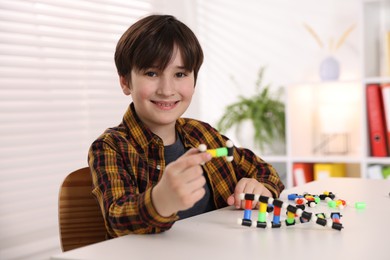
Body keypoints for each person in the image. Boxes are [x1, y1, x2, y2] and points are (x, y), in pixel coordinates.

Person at [88, 14, 285, 238]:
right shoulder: (111, 147)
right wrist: (160, 200)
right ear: (125, 81)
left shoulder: (202, 134)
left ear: (194, 79)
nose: (167, 89)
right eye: (151, 73)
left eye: (180, 74)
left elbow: (265, 171)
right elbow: (117, 219)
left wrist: (260, 187)